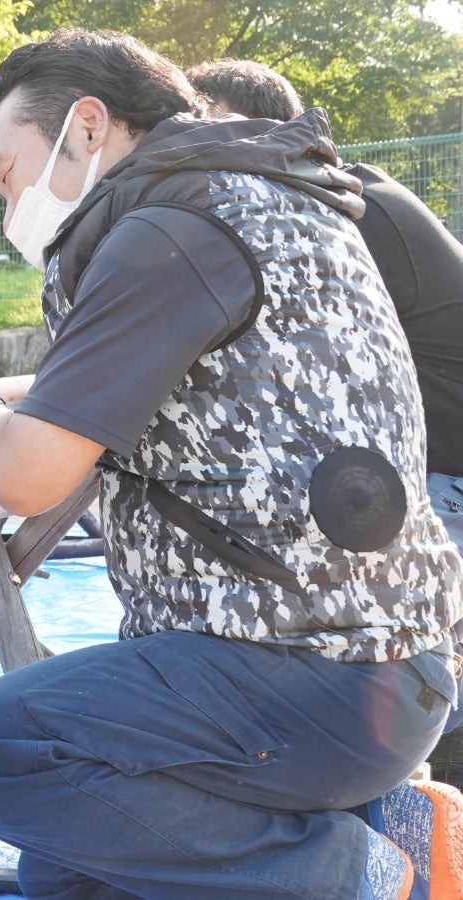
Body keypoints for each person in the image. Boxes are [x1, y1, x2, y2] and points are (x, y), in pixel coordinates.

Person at [0, 28, 463, 898]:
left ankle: (358, 873)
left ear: (87, 126)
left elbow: (31, 474)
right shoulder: (269, 193)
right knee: (70, 867)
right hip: (382, 659)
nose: (6, 208)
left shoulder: (171, 228)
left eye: (6, 173)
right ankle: (386, 827)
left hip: (317, 670)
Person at [187, 57, 463, 799]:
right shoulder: (336, 195)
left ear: (254, 127)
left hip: (444, 479)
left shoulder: (338, 211)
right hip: (418, 467)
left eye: (198, 126)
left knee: (379, 679)